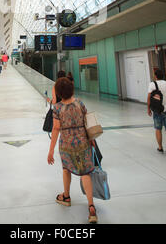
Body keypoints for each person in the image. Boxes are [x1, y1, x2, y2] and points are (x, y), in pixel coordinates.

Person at [47, 77, 98, 223]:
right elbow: (87, 121)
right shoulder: (79, 103)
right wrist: (92, 139)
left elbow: (56, 128)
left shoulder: (57, 108)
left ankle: (66, 196)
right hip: (83, 142)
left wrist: (50, 151)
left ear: (59, 93)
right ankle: (91, 206)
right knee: (86, 173)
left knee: (66, 169)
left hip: (67, 144)